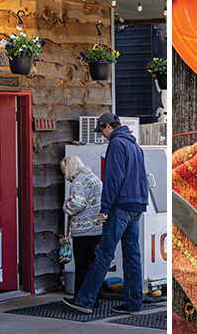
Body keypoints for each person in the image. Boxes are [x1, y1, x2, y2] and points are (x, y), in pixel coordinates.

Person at [63, 112, 149, 315]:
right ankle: (133, 303)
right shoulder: (135, 145)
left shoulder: (117, 144)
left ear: (108, 126)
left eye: (102, 131)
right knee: (132, 256)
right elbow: (142, 176)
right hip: (137, 205)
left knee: (103, 254)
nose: (102, 135)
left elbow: (113, 178)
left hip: (119, 206)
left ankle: (85, 300)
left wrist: (105, 207)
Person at [60, 155, 103, 297]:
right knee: (93, 265)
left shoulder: (78, 182)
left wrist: (66, 205)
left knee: (82, 266)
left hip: (83, 229)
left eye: (63, 170)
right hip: (97, 227)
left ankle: (81, 297)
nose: (63, 174)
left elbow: (77, 203)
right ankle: (93, 297)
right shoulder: (92, 177)